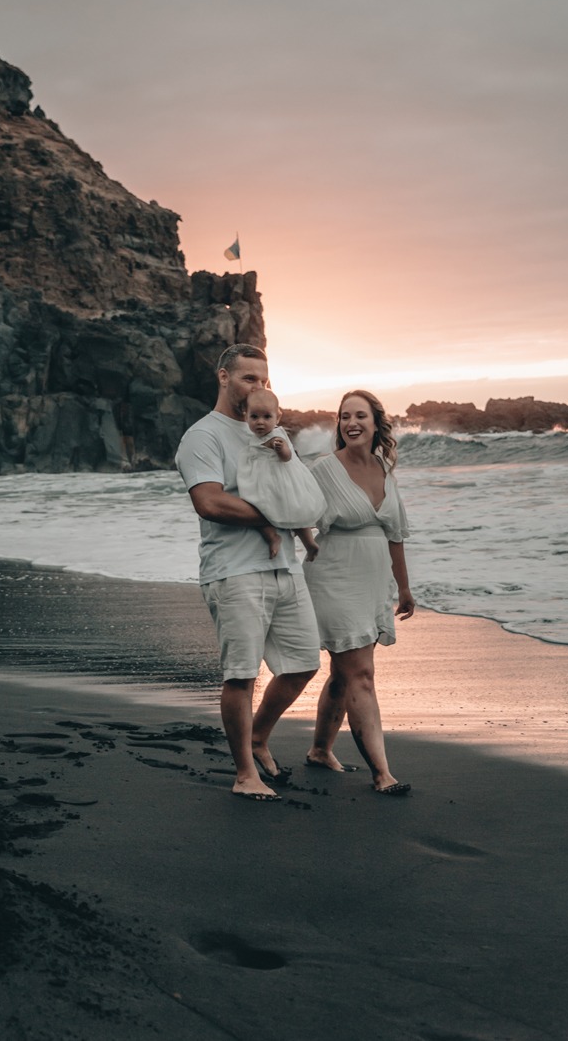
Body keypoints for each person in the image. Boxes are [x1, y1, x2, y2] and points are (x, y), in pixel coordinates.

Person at [175, 343, 321, 802]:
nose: (257, 388)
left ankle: (257, 737)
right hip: (234, 572)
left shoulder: (271, 433)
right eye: (247, 378)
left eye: (263, 380)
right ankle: (243, 773)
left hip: (284, 566)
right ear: (223, 377)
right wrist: (268, 518)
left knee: (302, 664)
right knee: (240, 675)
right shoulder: (203, 436)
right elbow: (210, 502)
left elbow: (296, 491)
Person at [303, 389, 415, 794]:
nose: (351, 423)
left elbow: (396, 534)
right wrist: (305, 546)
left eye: (360, 416)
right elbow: (293, 512)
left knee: (343, 671)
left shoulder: (385, 469)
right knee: (362, 675)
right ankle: (383, 774)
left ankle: (319, 750)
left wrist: (403, 587)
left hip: (371, 582)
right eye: (344, 416)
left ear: (375, 423)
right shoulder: (322, 469)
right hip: (333, 577)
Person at [238, 387, 325, 561]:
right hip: (262, 480)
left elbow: (287, 457)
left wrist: (282, 449)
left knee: (296, 511)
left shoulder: (277, 435)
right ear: (246, 416)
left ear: (277, 417)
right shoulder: (252, 437)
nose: (260, 422)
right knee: (256, 508)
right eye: (254, 417)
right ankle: (273, 537)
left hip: (280, 481)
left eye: (267, 417)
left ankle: (309, 544)